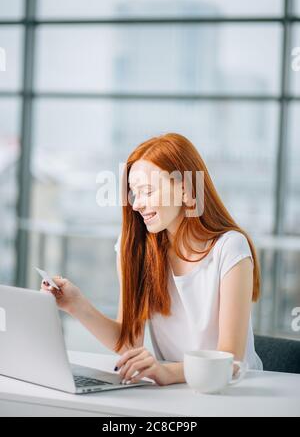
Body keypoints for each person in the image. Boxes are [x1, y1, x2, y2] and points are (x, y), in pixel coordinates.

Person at [41, 133, 263, 386]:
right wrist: (75, 304)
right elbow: (128, 342)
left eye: (147, 191)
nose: (136, 205)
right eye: (134, 194)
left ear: (186, 190)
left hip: (233, 389)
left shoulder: (229, 247)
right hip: (171, 390)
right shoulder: (137, 248)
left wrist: (167, 373)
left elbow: (230, 359)